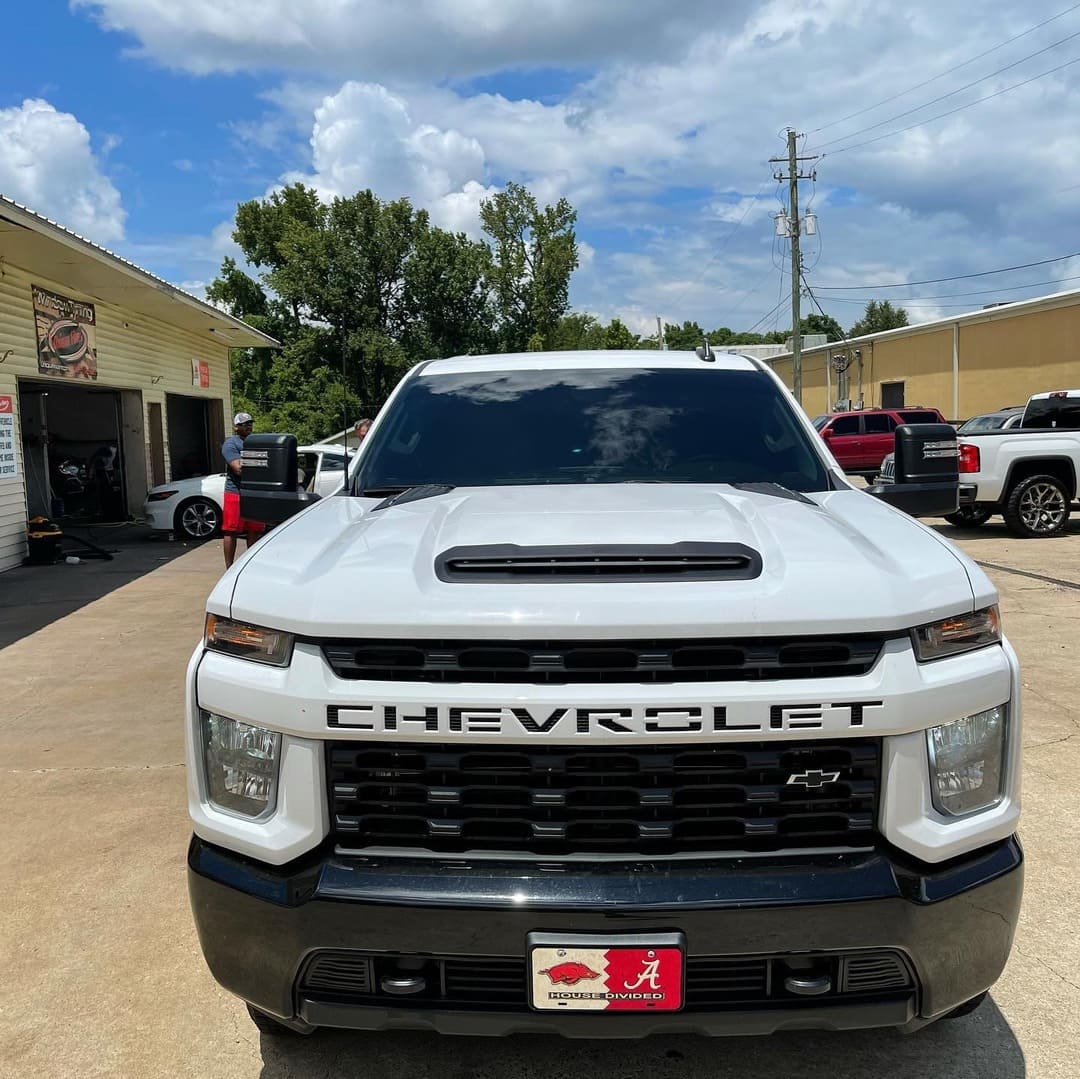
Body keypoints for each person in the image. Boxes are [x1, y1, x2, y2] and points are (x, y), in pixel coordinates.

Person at [221, 413, 265, 568]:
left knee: (254, 530)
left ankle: (251, 566)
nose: (248, 426)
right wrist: (260, 462)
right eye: (244, 423)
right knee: (231, 531)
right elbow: (238, 468)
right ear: (236, 427)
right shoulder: (230, 444)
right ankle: (229, 568)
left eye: (250, 423)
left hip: (255, 493)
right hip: (235, 492)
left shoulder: (257, 442)